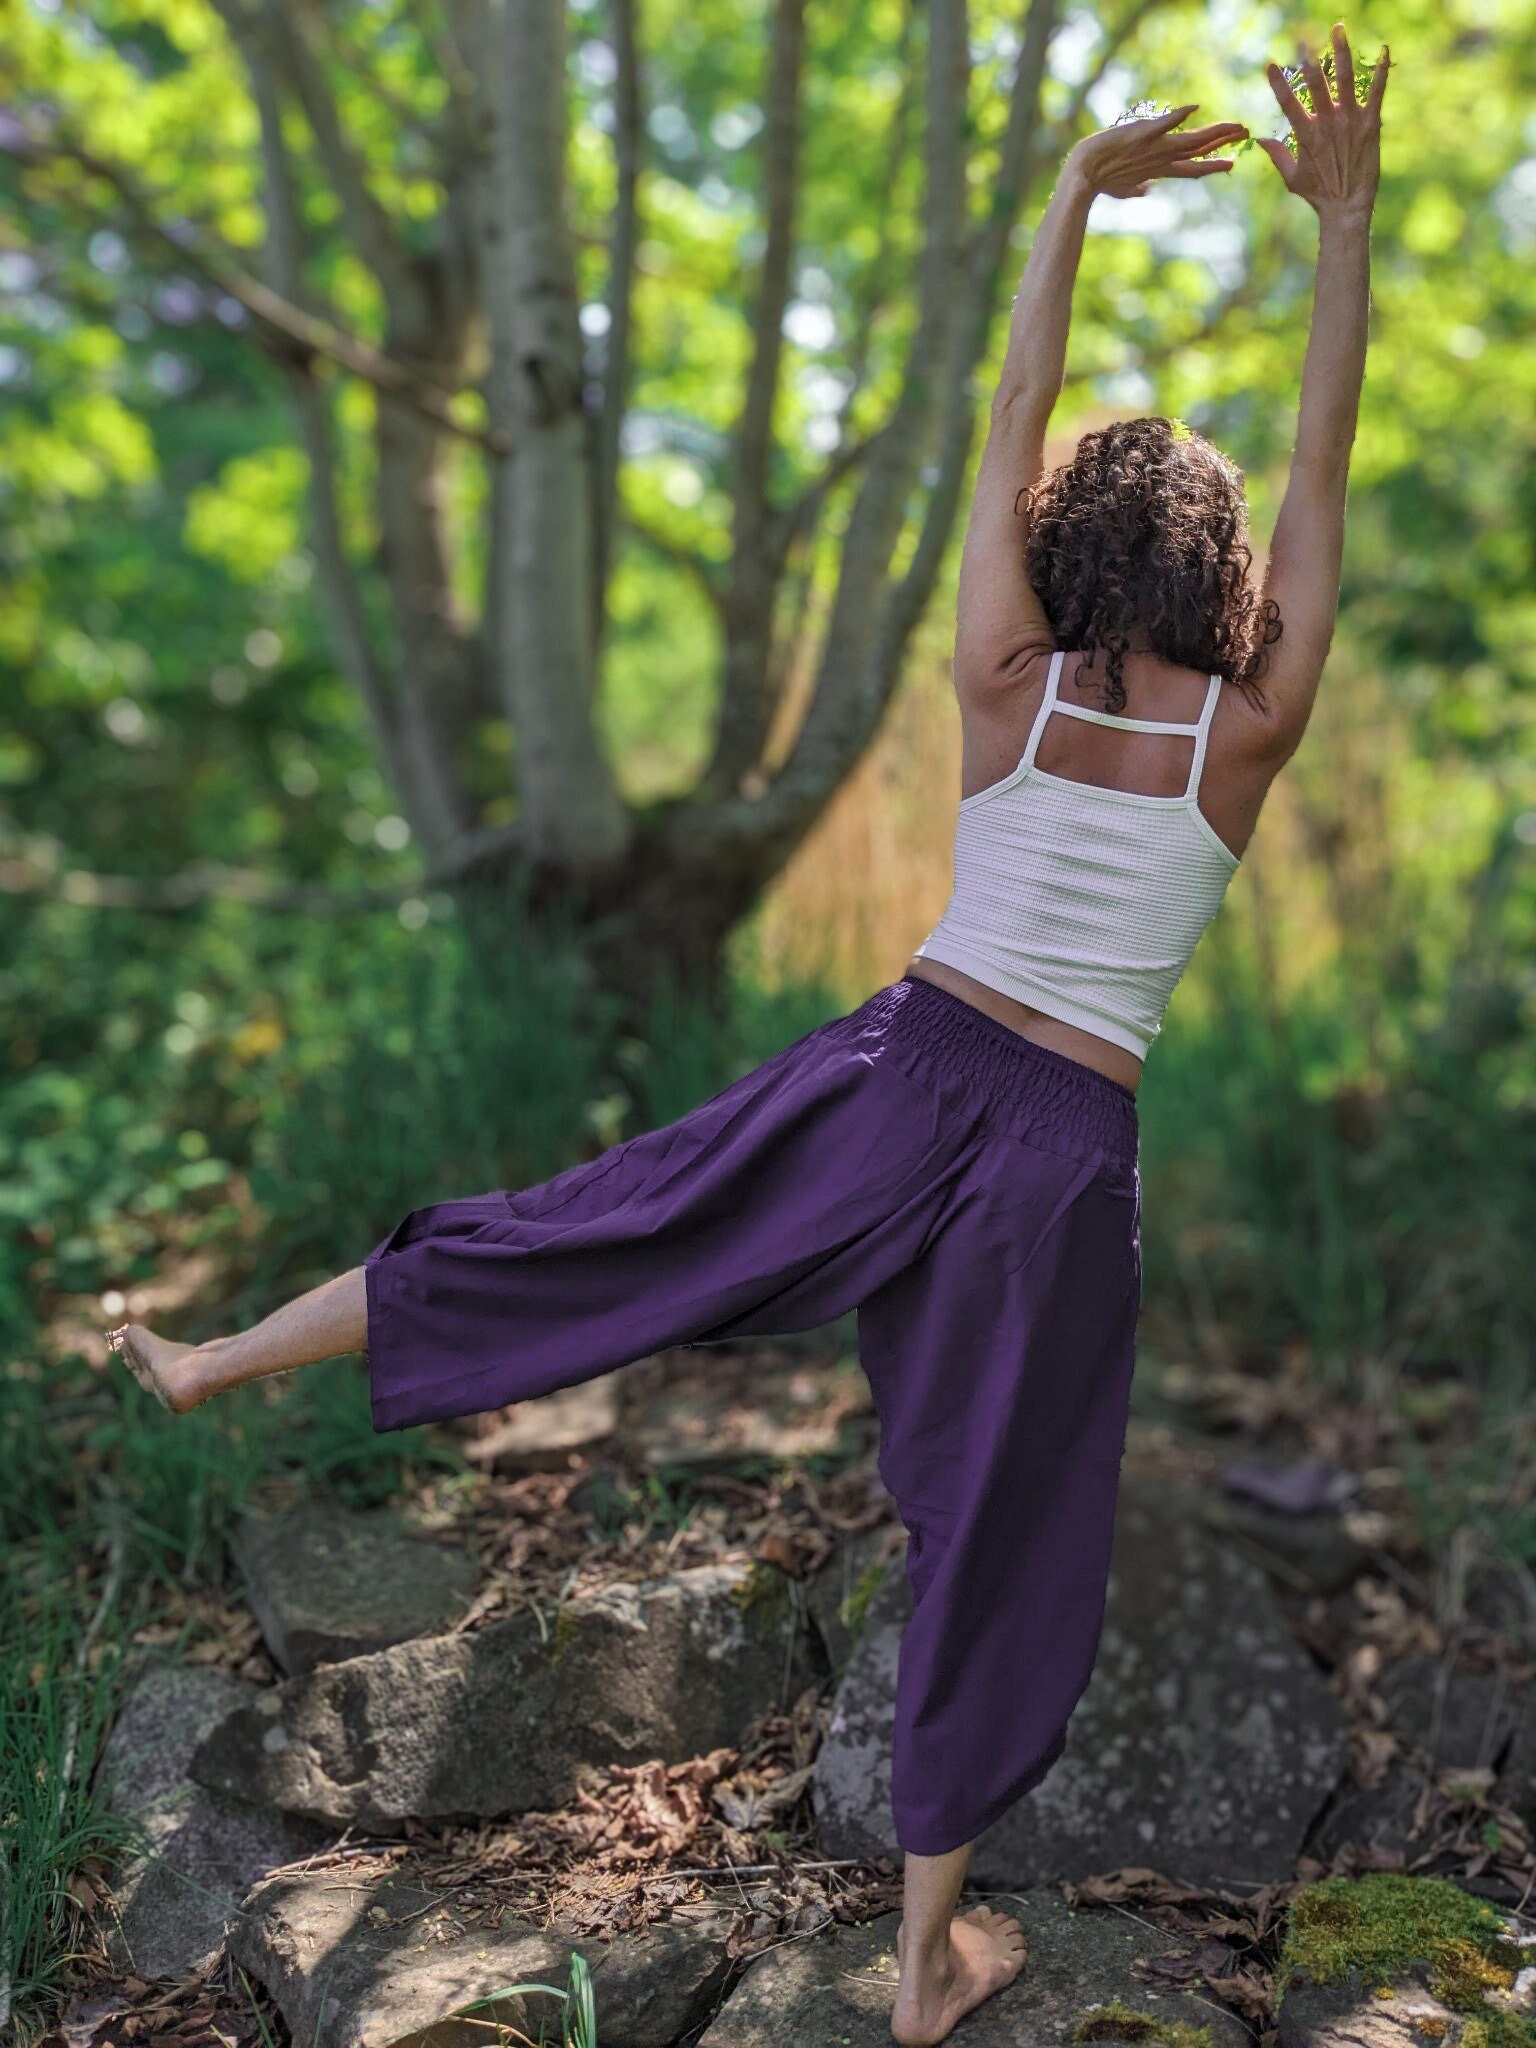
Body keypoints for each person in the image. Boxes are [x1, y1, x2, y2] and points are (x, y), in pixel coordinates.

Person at [109, 28, 1388, 2047]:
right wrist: (1347, 234)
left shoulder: (1001, 680)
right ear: (1223, 578)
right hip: (1063, 1153)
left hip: (898, 1074)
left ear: (1069, 557)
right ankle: (924, 1955)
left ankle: (211, 1354)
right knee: (996, 1509)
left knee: (595, 1225)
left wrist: (1066, 200)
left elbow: (1010, 414)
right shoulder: (1245, 735)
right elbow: (1325, 464)